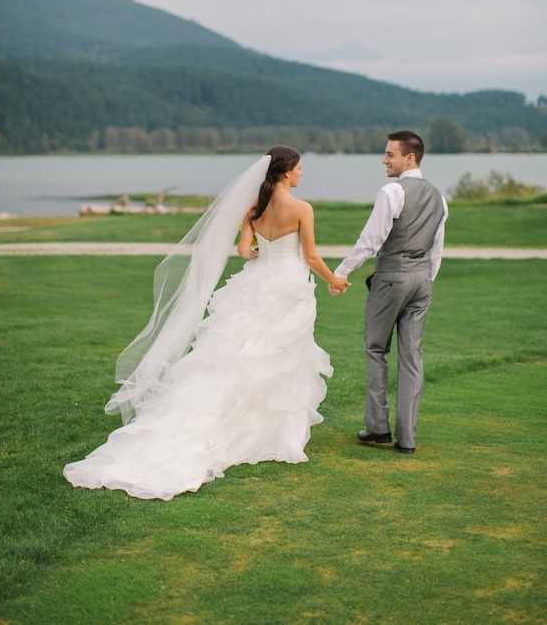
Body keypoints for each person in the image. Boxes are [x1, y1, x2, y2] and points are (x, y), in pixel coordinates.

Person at [64, 146, 349, 500]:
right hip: (288, 289)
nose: (302, 174)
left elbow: (244, 251)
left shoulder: (253, 210)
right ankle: (272, 434)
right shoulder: (301, 208)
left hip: (256, 284)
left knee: (238, 355)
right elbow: (309, 256)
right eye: (300, 169)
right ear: (286, 172)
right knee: (277, 358)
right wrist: (334, 280)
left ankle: (239, 426)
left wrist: (261, 252)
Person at [329, 131, 448, 454]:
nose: (384, 160)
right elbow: (436, 249)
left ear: (409, 157)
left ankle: (377, 428)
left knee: (375, 348)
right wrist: (425, 280)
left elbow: (370, 241)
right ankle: (407, 439)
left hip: (392, 278)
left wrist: (340, 273)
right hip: (422, 281)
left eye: (390, 154)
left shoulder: (392, 191)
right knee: (412, 357)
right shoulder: (439, 196)